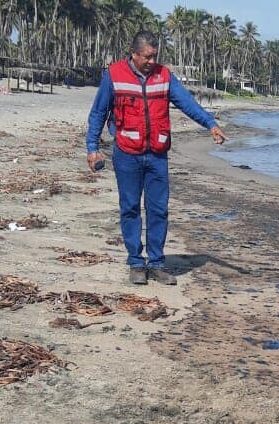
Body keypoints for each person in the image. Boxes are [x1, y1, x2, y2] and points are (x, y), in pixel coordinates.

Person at [86, 30, 227, 285]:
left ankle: (158, 263)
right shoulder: (114, 75)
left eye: (155, 56)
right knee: (130, 208)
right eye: (147, 57)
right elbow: (98, 113)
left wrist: (210, 124)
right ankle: (136, 263)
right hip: (127, 153)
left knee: (158, 209)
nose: (152, 61)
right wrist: (92, 148)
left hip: (157, 154)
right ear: (134, 54)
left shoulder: (164, 76)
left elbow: (187, 102)